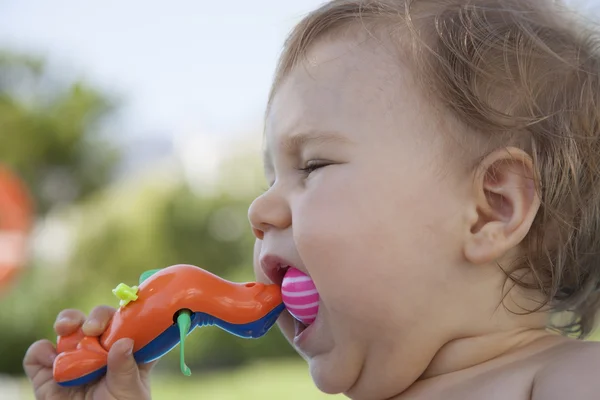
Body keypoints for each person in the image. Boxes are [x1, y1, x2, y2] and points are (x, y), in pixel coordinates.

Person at [23, 0, 600, 398]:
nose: (259, 209)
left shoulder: (568, 380)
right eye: (270, 176)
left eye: (313, 165)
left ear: (491, 210)